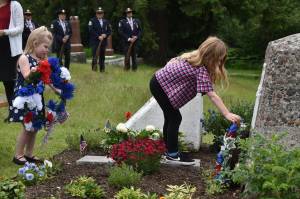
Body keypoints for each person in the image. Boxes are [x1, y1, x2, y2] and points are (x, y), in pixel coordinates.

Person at [149, 36, 241, 165]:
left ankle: (169, 151)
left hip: (157, 82)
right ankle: (172, 154)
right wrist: (227, 114)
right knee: (174, 118)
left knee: (171, 117)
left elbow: (172, 60)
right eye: (219, 59)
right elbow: (212, 95)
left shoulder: (193, 56)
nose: (221, 62)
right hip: (160, 86)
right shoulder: (200, 69)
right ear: (212, 57)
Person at [10, 26, 53, 165]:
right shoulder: (24, 58)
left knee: (35, 127)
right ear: (35, 43)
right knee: (27, 127)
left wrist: (57, 86)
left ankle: (29, 153)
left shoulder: (42, 60)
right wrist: (35, 70)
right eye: (45, 46)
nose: (47, 50)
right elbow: (27, 76)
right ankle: (18, 155)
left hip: (37, 98)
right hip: (25, 98)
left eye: (48, 48)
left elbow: (47, 78)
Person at [0, 0, 23, 121]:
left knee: (10, 82)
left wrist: (4, 32)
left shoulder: (15, 5)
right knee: (4, 81)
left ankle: (14, 112)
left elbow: (20, 28)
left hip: (10, 47)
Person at [88, 7, 111, 72]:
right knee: (95, 56)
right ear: (96, 14)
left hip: (103, 42)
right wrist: (98, 36)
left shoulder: (106, 21)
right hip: (95, 42)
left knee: (102, 56)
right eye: (98, 13)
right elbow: (91, 30)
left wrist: (105, 35)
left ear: (103, 14)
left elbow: (109, 31)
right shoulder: (92, 21)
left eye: (101, 13)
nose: (100, 14)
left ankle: (102, 69)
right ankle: (94, 69)